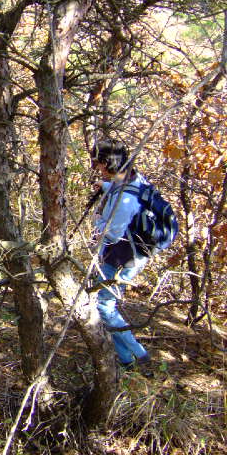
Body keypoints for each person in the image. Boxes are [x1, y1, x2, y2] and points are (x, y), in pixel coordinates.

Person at [90, 138, 151, 369]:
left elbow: (113, 233)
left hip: (123, 256)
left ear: (107, 162)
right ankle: (126, 360)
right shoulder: (132, 178)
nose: (96, 168)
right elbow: (128, 196)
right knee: (105, 306)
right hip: (130, 252)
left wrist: (97, 221)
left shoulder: (124, 198)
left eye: (97, 162)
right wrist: (105, 187)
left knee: (104, 306)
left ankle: (139, 354)